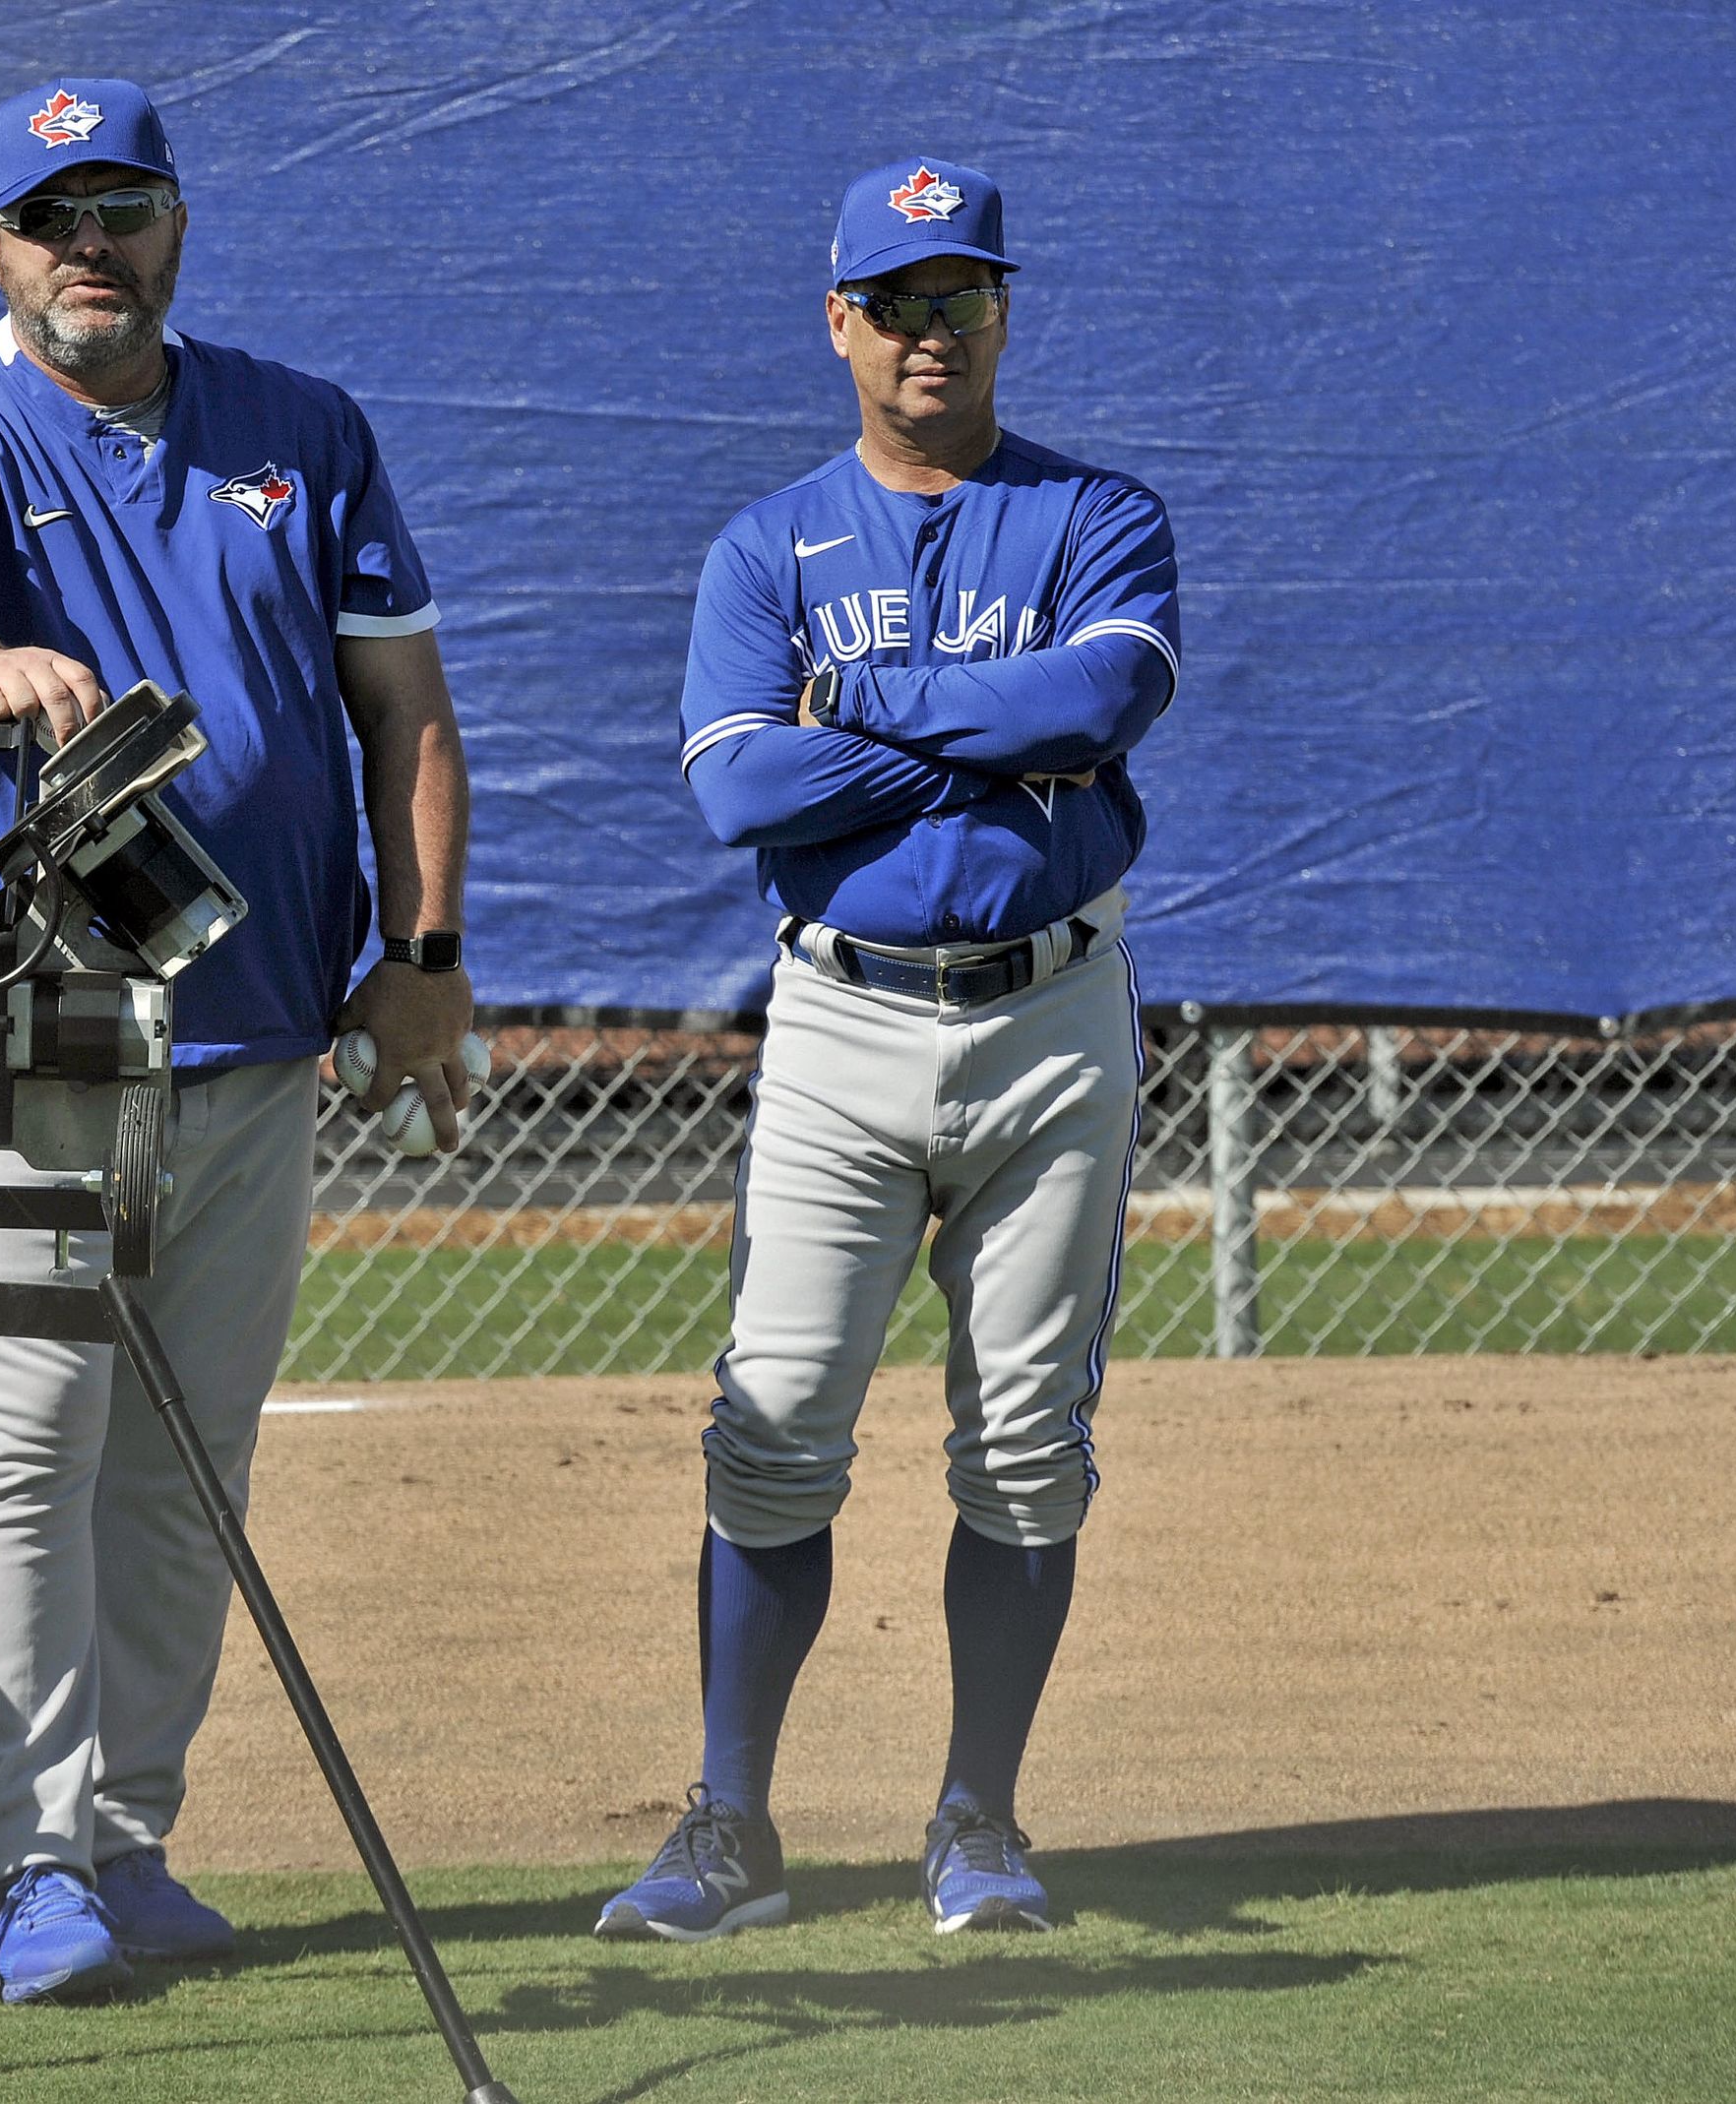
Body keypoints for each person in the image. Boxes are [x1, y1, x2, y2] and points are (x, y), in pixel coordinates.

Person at [0, 77, 473, 2003]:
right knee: (26, 1446)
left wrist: (423, 949)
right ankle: (29, 1868)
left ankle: (127, 1836)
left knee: (190, 1462)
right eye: (49, 218)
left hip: (264, 1030)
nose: (86, 247)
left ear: (175, 223)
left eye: (120, 210)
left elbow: (405, 710)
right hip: (28, 1030)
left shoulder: (301, 430)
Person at [596, 157, 1180, 1942]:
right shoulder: (767, 545)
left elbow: (1104, 696)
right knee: (770, 1434)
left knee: (1022, 1446)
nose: (935, 332)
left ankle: (979, 1821)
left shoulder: (1098, 514)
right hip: (840, 1020)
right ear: (840, 324)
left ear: (1004, 311)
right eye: (900, 302)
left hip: (1052, 1016)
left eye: (966, 296)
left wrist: (866, 709)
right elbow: (737, 786)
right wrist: (985, 746)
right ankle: (729, 1826)